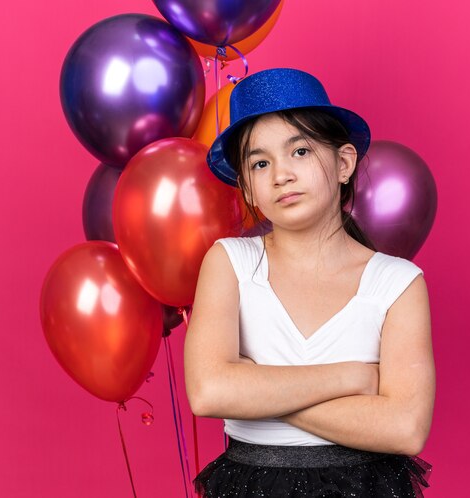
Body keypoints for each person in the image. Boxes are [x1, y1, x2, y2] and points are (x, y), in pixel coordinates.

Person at [184, 67, 435, 497]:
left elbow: (404, 428)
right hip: (248, 484)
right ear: (247, 189)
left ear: (343, 163)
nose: (281, 174)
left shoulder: (396, 283)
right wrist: (352, 378)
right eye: (260, 163)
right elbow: (209, 392)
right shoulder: (230, 263)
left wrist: (255, 387)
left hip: (364, 486)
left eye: (299, 152)